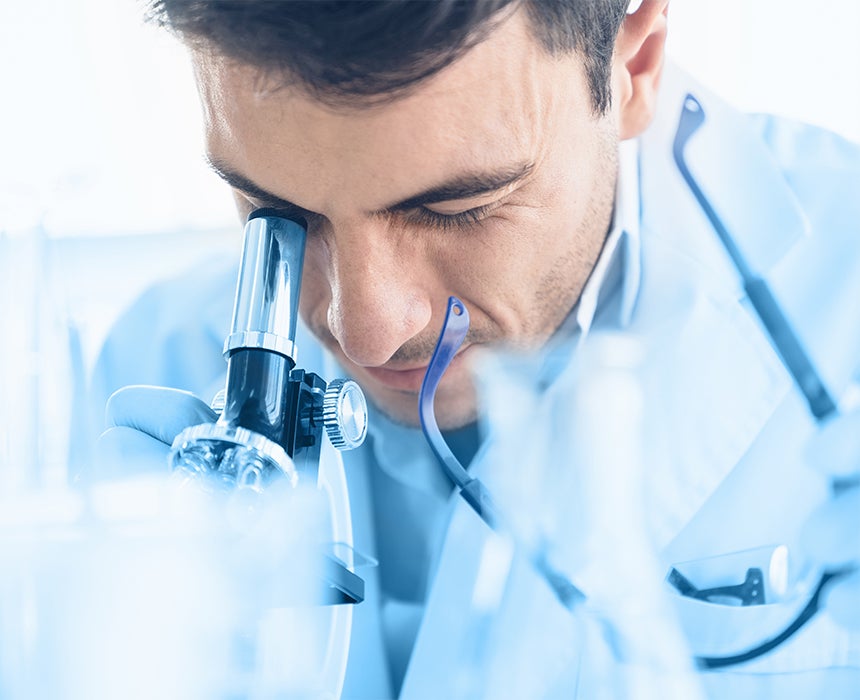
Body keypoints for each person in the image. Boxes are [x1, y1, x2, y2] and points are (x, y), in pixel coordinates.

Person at [93, 1, 860, 697]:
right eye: (278, 213)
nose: (365, 330)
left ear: (633, 65)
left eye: (457, 208)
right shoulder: (153, 370)